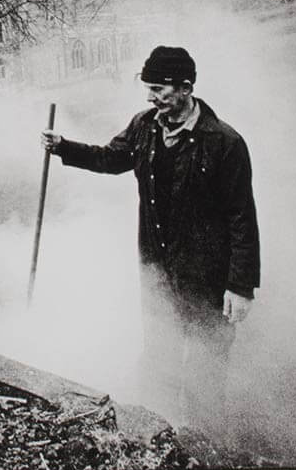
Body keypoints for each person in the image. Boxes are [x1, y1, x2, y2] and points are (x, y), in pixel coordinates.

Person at [41, 45, 259, 427]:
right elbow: (110, 158)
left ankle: (204, 446)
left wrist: (240, 287)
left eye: (159, 88)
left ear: (186, 88)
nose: (151, 96)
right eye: (149, 88)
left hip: (207, 275)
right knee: (160, 356)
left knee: (206, 368)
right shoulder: (145, 126)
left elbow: (242, 217)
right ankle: (157, 433)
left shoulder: (224, 142)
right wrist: (64, 148)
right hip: (158, 270)